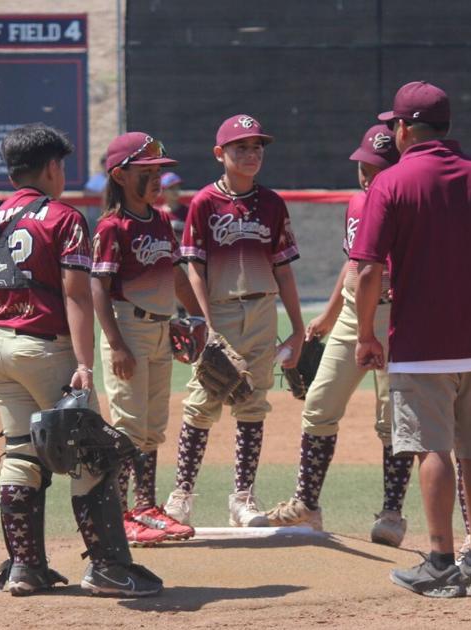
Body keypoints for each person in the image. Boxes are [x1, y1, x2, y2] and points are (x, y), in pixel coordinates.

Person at [0, 123, 161, 598]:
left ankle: (25, 567)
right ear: (51, 167)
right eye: (61, 164)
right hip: (48, 348)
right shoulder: (63, 218)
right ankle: (106, 567)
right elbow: (76, 295)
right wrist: (84, 364)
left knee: (22, 454)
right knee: (94, 455)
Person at [349, 81, 471, 598]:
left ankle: (440, 561)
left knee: (431, 449)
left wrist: (366, 334)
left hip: (421, 344)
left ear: (404, 129)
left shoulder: (393, 182)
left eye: (395, 126)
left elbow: (366, 270)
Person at [264, 124, 417, 547]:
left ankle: (391, 513)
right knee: (319, 403)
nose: (367, 173)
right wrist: (329, 315)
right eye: (363, 164)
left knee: (393, 421)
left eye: (377, 166)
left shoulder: (408, 206)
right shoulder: (356, 203)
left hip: (395, 317)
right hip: (353, 313)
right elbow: (354, 263)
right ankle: (306, 505)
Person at [163, 114, 306, 528]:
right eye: (240, 147)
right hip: (220, 311)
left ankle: (242, 497)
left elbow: (283, 269)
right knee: (202, 401)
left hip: (262, 311)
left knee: (252, 403)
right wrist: (204, 323)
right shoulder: (205, 203)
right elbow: (193, 267)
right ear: (219, 154)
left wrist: (297, 328)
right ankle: (182, 494)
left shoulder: (273, 204)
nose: (251, 154)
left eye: (257, 146)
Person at [91, 132, 200, 546]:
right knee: (127, 427)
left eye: (160, 171)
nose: (157, 178)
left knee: (153, 426)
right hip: (128, 328)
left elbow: (174, 273)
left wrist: (197, 317)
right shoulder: (111, 227)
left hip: (160, 327)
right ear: (120, 175)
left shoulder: (157, 221)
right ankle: (117, 513)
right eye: (147, 171)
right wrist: (116, 343)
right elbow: (97, 287)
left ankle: (145, 507)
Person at [156, 171, 189, 240]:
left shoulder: (188, 211)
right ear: (162, 191)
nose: (175, 191)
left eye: (177, 187)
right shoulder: (157, 213)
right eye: (171, 188)